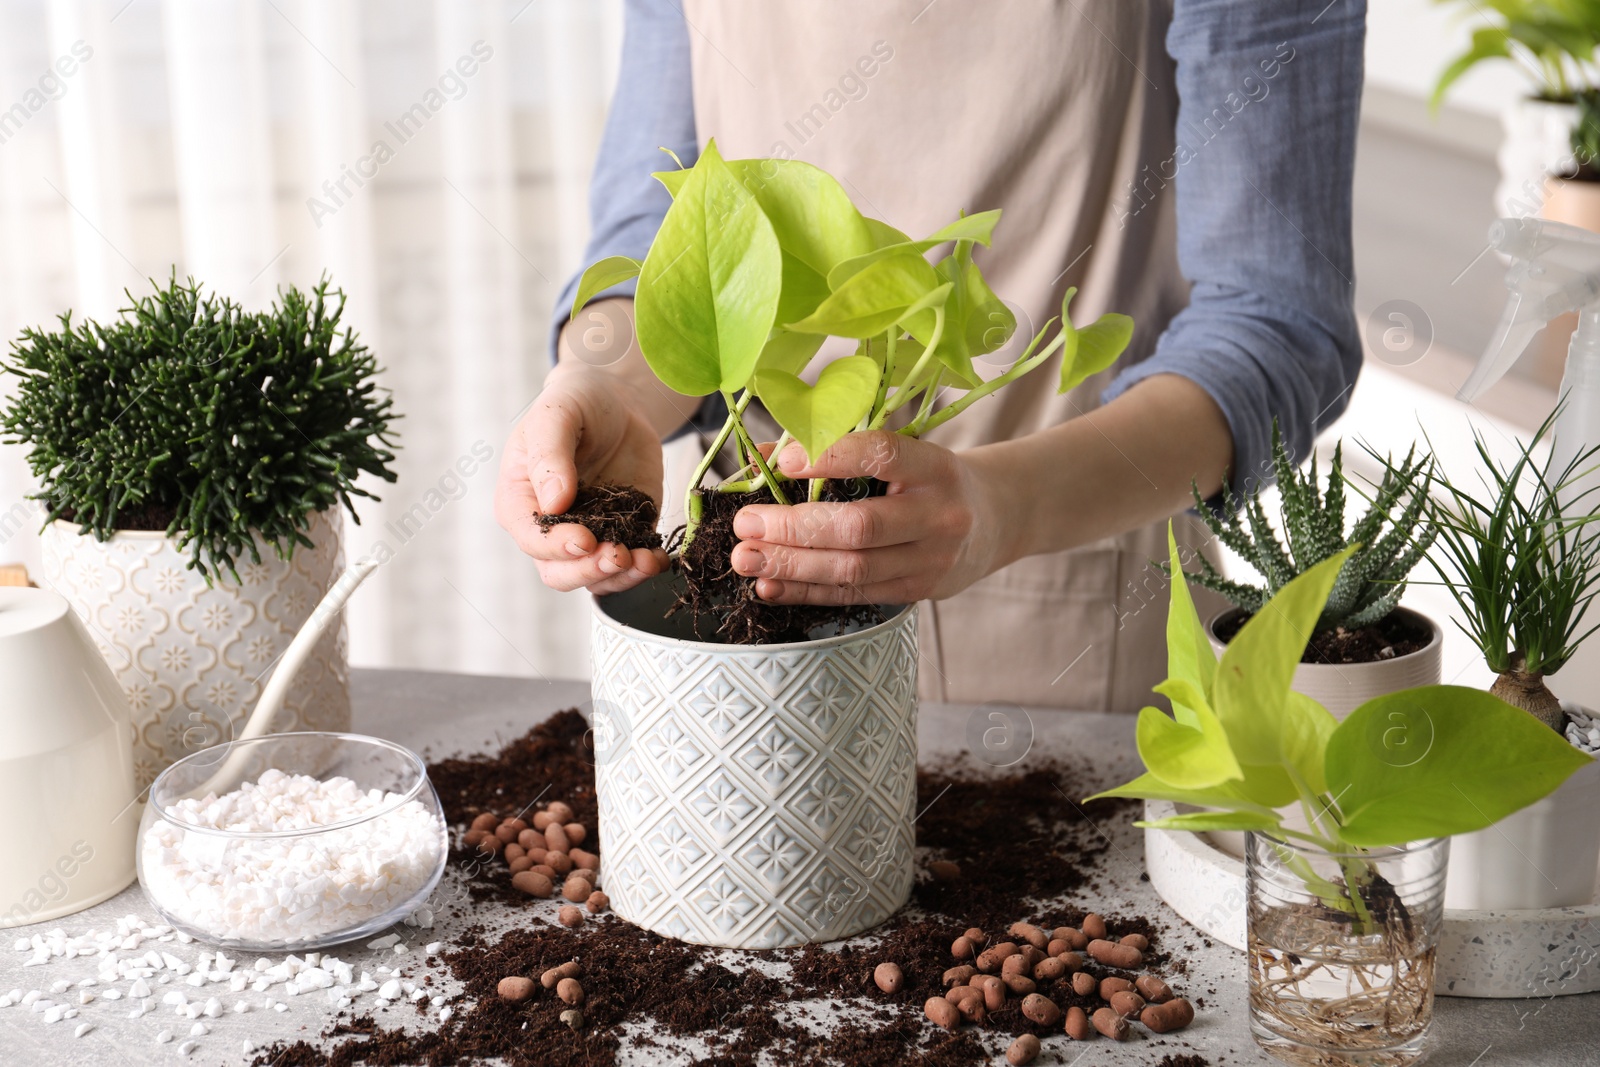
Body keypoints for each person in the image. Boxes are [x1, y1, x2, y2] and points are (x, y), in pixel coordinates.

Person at [495, 0, 1365, 710]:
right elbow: (669, 232)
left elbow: (1276, 323)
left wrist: (1003, 507)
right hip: (753, 629)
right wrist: (602, 384)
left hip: (1073, 639)